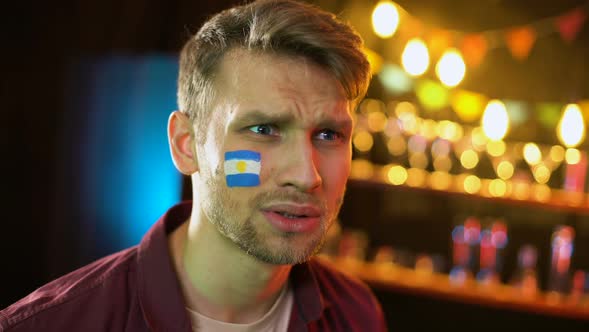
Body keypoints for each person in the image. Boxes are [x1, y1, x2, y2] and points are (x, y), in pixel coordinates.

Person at [0, 0, 386, 330]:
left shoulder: (357, 314)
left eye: (329, 135)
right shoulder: (56, 323)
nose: (307, 176)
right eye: (263, 129)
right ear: (186, 145)